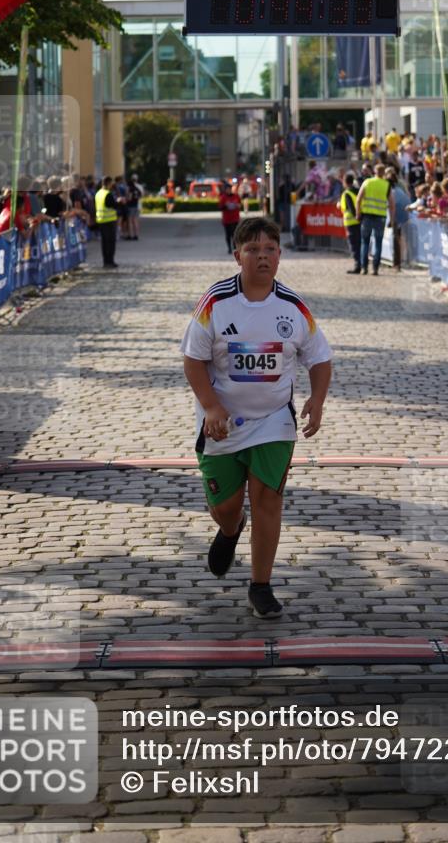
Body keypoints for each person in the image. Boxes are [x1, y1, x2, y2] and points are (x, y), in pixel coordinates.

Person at [180, 217, 332, 618]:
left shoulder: (295, 307)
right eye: (252, 250)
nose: (262, 257)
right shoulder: (215, 302)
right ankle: (231, 529)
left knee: (269, 498)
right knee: (226, 506)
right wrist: (211, 406)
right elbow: (193, 360)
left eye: (270, 249)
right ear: (237, 256)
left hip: (273, 421)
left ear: (280, 255)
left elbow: (319, 357)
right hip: (221, 423)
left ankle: (261, 585)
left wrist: (317, 398)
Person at [356, 163, 395, 275]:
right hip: (380, 217)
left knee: (365, 242)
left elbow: (358, 199)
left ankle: (364, 268)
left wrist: (358, 214)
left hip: (367, 216)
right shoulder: (387, 185)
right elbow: (392, 204)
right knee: (378, 243)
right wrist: (392, 220)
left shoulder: (367, 182)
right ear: (383, 173)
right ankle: (375, 269)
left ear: (374, 171)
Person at [385, 168, 410, 271]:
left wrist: (391, 221)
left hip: (398, 217)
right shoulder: (399, 189)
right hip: (405, 216)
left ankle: (397, 264)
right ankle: (401, 261)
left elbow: (391, 206)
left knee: (396, 239)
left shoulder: (391, 192)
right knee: (401, 239)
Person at [337, 172, 361, 274]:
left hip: (351, 222)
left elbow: (351, 209)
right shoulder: (358, 191)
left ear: (345, 182)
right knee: (360, 244)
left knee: (354, 245)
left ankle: (357, 266)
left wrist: (340, 206)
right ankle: (362, 264)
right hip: (360, 221)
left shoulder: (347, 193)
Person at [95, 176, 119, 268]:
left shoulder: (98, 193)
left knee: (104, 243)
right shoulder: (107, 194)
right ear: (109, 183)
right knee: (110, 243)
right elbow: (111, 205)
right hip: (109, 221)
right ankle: (110, 261)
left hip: (101, 220)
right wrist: (119, 202)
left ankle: (105, 261)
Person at [219, 182, 241, 254]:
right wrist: (226, 206)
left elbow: (240, 204)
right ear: (225, 190)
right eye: (227, 189)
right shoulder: (223, 197)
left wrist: (237, 205)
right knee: (228, 234)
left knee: (234, 233)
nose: (229, 190)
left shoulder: (236, 196)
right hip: (227, 219)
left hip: (235, 218)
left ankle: (235, 247)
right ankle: (229, 248)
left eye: (230, 189)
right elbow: (220, 207)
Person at [125, 174, 142, 240]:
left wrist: (125, 199)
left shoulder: (130, 189)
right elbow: (140, 196)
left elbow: (129, 198)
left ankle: (130, 235)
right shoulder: (137, 189)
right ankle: (136, 235)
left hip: (130, 206)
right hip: (136, 206)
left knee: (129, 221)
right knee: (135, 221)